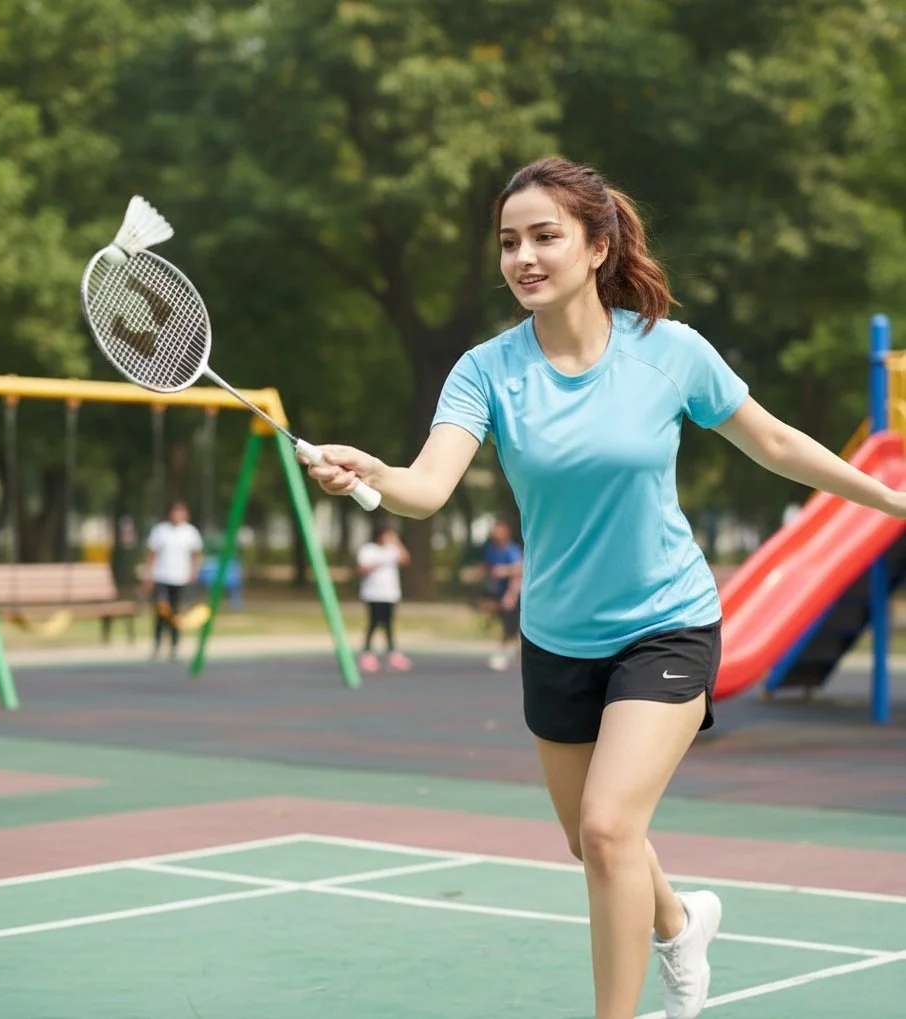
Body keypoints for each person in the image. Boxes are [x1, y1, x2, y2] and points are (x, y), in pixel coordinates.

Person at [299, 156, 906, 1019]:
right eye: (510, 242)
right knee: (593, 841)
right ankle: (681, 919)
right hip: (556, 636)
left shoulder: (669, 352)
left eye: (546, 235)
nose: (524, 257)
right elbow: (428, 488)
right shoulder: (485, 371)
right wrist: (370, 472)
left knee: (610, 828)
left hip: (668, 623)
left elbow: (772, 443)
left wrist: (889, 496)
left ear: (597, 245)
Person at [144, 500, 203, 660]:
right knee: (162, 611)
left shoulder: (190, 532)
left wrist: (193, 572)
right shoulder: (160, 531)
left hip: (180, 578)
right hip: (162, 577)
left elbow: (196, 554)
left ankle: (174, 646)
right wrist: (148, 574)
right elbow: (152, 554)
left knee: (176, 615)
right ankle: (157, 645)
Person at [356, 522, 412, 673]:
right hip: (373, 593)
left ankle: (393, 652)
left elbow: (406, 560)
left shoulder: (393, 549)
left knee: (389, 624)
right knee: (374, 622)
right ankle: (367, 653)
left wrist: (397, 543)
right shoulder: (368, 549)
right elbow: (362, 569)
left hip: (390, 594)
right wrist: (379, 561)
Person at [480, 518, 523, 670]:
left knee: (510, 626)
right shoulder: (490, 549)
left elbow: (519, 571)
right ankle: (512, 649)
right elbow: (488, 569)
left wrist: (511, 595)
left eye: (499, 529)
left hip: (512, 593)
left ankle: (504, 653)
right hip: (497, 592)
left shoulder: (512, 550)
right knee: (506, 625)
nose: (495, 532)